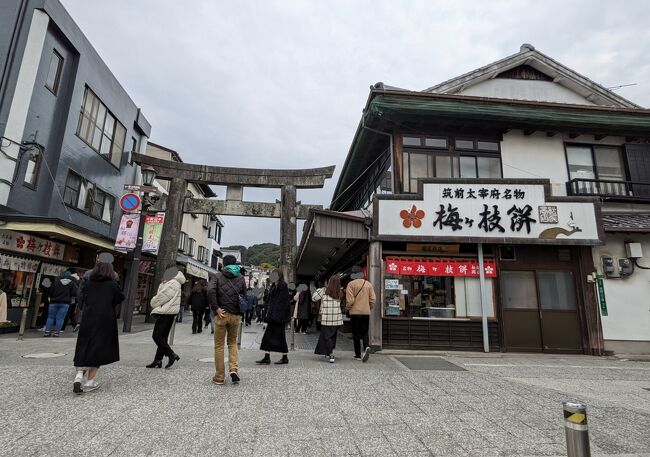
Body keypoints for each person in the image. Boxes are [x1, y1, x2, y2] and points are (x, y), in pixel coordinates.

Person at [72, 261, 123, 394]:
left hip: (88, 316)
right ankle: (90, 381)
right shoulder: (112, 284)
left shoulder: (88, 282)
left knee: (84, 345)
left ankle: (78, 375)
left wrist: (83, 308)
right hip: (105, 319)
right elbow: (119, 298)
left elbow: (80, 295)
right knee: (97, 347)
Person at [207, 255, 246, 385]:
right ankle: (233, 369)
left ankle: (219, 376)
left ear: (223, 264)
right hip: (235, 315)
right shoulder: (240, 277)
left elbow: (210, 291)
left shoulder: (218, 276)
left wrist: (217, 308)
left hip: (221, 315)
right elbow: (244, 295)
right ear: (235, 264)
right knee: (232, 343)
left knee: (219, 346)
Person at [146, 269, 186, 369]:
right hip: (170, 312)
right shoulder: (174, 282)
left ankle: (171, 354)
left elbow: (163, 297)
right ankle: (158, 359)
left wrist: (153, 303)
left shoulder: (172, 283)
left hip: (166, 311)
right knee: (162, 337)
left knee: (157, 336)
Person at [256, 269, 291, 365]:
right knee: (268, 337)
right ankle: (267, 357)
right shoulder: (274, 287)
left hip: (278, 318)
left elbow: (284, 304)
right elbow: (271, 303)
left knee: (280, 337)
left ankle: (285, 357)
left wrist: (276, 316)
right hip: (272, 317)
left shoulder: (283, 287)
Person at [346, 266, 376, 362]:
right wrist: (368, 307)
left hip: (355, 313)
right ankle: (366, 347)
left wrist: (348, 308)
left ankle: (358, 355)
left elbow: (350, 301)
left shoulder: (351, 284)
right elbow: (373, 299)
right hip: (365, 312)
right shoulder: (368, 284)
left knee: (356, 334)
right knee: (364, 332)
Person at [312, 275, 344, 363]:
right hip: (337, 319)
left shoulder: (324, 291)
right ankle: (328, 352)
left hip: (327, 318)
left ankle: (331, 354)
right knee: (332, 336)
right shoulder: (339, 292)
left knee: (327, 336)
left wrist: (320, 289)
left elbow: (314, 298)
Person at [44, 270, 78, 337]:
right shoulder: (72, 284)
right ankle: (57, 333)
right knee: (60, 318)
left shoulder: (56, 283)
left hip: (53, 302)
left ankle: (47, 332)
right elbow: (75, 293)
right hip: (65, 303)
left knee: (50, 317)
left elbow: (50, 292)